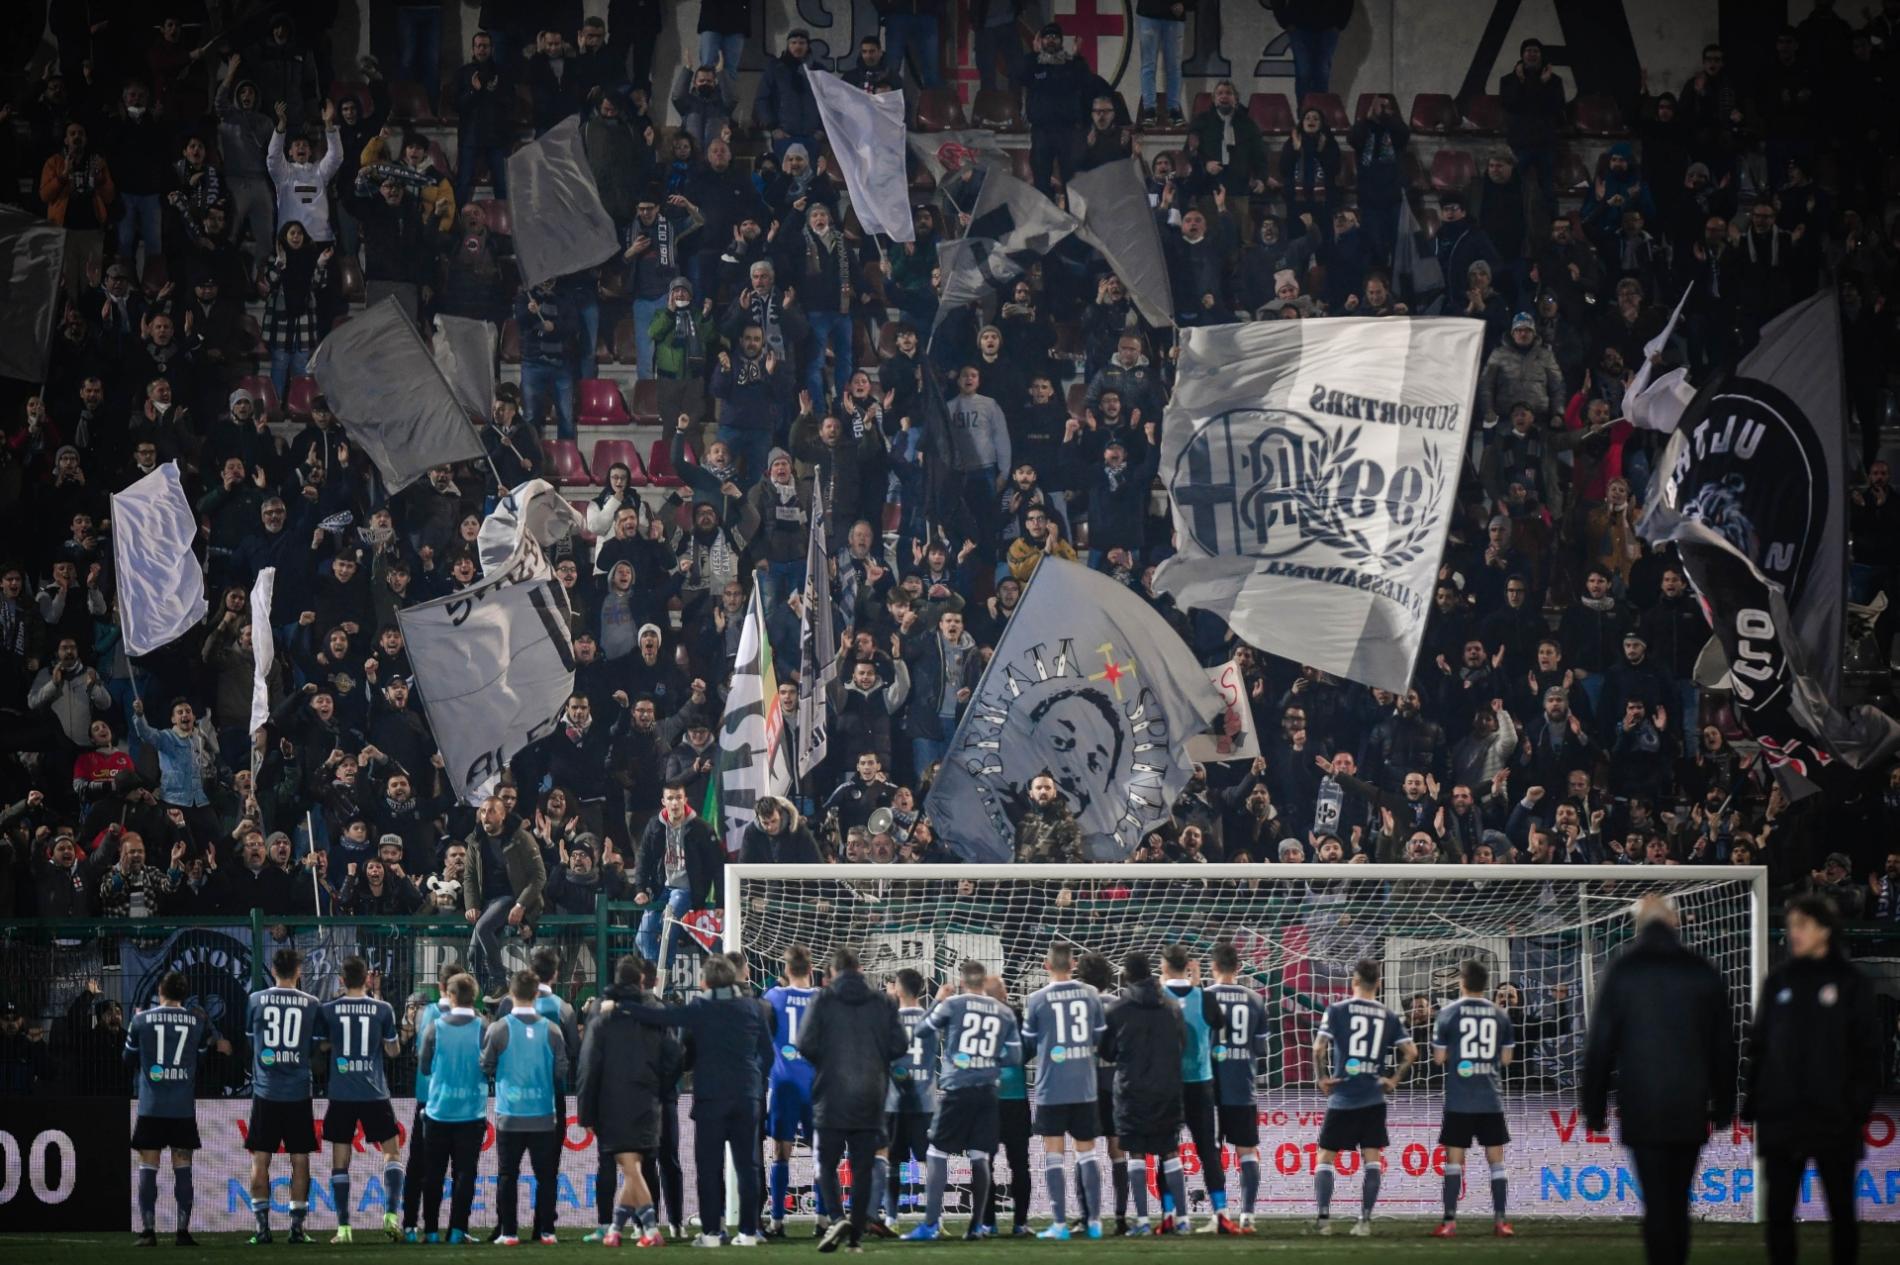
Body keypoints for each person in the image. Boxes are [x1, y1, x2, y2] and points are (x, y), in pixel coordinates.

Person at [1581, 896, 1735, 1265]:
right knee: (1678, 1200)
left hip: (1641, 1104)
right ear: (1675, 922)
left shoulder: (1623, 970)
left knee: (1655, 1201)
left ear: (1639, 926)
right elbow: (1723, 1044)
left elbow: (1601, 1045)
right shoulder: (1701, 969)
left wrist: (1594, 1108)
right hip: (1689, 1104)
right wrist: (1725, 1102)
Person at [1742, 894, 1882, 1265]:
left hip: (1834, 1119)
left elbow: (1870, 1053)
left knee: (1841, 1212)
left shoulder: (1851, 983)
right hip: (1782, 1119)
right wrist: (1755, 1103)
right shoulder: (1779, 981)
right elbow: (1759, 1045)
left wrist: (1855, 1108)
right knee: (1779, 1214)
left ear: (1824, 930)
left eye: (1802, 925)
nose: (1794, 934)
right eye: (1791, 927)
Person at [616, 953, 774, 1244]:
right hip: (746, 1098)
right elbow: (768, 1054)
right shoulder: (753, 1008)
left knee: (709, 1168)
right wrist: (753, 1080)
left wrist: (623, 1006)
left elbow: (661, 1016)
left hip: (711, 1100)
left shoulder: (700, 1007)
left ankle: (712, 1232)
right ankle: (750, 1232)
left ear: (705, 981)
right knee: (748, 1167)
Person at [797, 945, 909, 1252]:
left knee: (826, 1163)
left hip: (831, 1095)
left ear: (832, 973)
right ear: (860, 970)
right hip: (871, 1095)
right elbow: (900, 1045)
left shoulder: (822, 999)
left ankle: (836, 1218)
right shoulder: (883, 1002)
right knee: (863, 1168)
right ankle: (855, 1238)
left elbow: (804, 1044)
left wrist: (828, 1062)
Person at [904, 959, 1023, 1241]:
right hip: (987, 1093)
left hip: (957, 1088)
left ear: (960, 981)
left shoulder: (953, 1004)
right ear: (983, 982)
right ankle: (976, 1226)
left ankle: (930, 1225)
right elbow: (1016, 1057)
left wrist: (937, 1001)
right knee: (980, 1155)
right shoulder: (1003, 1012)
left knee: (937, 1152)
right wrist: (989, 1059)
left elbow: (921, 1031)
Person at [1312, 957, 1416, 1237]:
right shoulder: (1388, 1015)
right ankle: (1364, 1221)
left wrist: (1322, 1077)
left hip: (1343, 1096)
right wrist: (1393, 1079)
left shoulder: (1336, 1010)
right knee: (1371, 1158)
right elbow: (1412, 1053)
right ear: (1378, 984)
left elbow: (1319, 1048)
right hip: (1373, 1097)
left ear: (1354, 981)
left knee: (1325, 1158)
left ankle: (1323, 1220)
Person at [126, 970, 227, 1247]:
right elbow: (203, 1060)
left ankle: (148, 1231)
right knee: (183, 1168)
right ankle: (183, 1232)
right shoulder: (196, 1023)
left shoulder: (141, 1020)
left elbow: (127, 1058)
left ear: (161, 990)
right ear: (184, 994)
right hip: (182, 1108)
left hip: (151, 1106)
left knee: (148, 1167)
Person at [1021, 943, 1107, 1240]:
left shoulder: (1036, 999)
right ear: (1074, 964)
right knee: (1087, 1153)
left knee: (1054, 1154)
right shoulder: (1092, 994)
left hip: (1051, 1086)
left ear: (1046, 966)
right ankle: (1094, 1222)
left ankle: (1059, 1223)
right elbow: (1098, 1037)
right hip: (1084, 1085)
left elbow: (1029, 1044)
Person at [1428, 959, 1516, 1238]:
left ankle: (1449, 1222)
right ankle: (1501, 1221)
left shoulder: (1448, 1013)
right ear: (1486, 984)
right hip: (1490, 1098)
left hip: (1459, 1099)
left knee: (1454, 1161)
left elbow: (1439, 1058)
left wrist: (1459, 1055)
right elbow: (1506, 1058)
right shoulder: (1500, 1014)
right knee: (1497, 1161)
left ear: (1461, 982)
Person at [319, 956, 404, 1244]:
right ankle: (391, 1216)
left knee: (341, 1161)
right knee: (391, 1153)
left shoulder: (328, 1010)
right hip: (374, 1092)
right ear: (367, 978)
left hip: (342, 1094)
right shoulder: (383, 1009)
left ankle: (344, 1229)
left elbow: (321, 1045)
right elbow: (393, 1052)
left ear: (341, 980)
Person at [482, 969, 570, 1245]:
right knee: (546, 1175)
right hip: (543, 1114)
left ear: (511, 993)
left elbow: (486, 1065)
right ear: (535, 994)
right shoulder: (552, 1030)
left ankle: (508, 1232)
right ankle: (546, 1231)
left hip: (510, 1114)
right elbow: (561, 1070)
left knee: (508, 1174)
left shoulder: (499, 1028)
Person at [1100, 950, 1185, 1236]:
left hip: (1131, 1091)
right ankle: (1181, 1219)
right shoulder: (1172, 1006)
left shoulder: (1117, 1009)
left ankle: (1143, 1221)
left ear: (1125, 975)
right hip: (1167, 1089)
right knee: (1169, 1151)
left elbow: (1107, 1052)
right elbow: (1182, 1044)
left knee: (1136, 1153)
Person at [245, 946, 324, 1245]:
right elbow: (317, 1049)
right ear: (299, 971)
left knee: (260, 1159)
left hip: (265, 1092)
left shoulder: (255, 1000)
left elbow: (249, 1043)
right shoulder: (311, 1003)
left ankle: (262, 1229)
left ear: (273, 970)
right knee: (300, 1160)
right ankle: (297, 1229)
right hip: (297, 1093)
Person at [1159, 942, 1229, 1231]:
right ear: (1187, 965)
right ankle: (1222, 1213)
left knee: (1167, 1150)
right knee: (1208, 1151)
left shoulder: (1159, 997)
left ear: (1163, 966)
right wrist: (1196, 984)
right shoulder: (1205, 998)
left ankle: (1169, 1216)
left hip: (1169, 1086)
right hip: (1201, 1084)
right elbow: (1216, 1023)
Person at [416, 972, 488, 1244]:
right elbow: (489, 1065)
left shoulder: (436, 1027)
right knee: (465, 1174)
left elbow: (424, 1065)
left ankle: (431, 1231)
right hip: (471, 1112)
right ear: (475, 996)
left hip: (439, 1110)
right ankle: (458, 1230)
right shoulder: (483, 1027)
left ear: (451, 995)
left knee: (433, 1173)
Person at [1207, 939, 1268, 1232]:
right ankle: (1248, 1216)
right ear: (1240, 967)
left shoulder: (1203, 997)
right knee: (1247, 1151)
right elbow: (1261, 1048)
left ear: (1213, 967)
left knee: (1213, 1150)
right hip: (1243, 1085)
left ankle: (1220, 1214)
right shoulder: (1256, 1000)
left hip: (1209, 1087)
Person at [462, 794, 546, 998]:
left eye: (491, 811)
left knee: (483, 928)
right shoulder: (475, 841)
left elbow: (539, 876)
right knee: (473, 955)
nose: (486, 816)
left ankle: (501, 982)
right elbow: (469, 876)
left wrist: (521, 904)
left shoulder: (521, 838)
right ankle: (491, 994)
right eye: (483, 811)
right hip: (487, 902)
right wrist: (471, 904)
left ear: (503, 815)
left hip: (511, 896)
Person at [764, 944, 822, 1236]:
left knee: (780, 1152)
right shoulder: (823, 998)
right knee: (821, 1153)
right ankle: (823, 1220)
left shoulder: (774, 996)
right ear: (811, 970)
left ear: (786, 970)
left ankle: (777, 1221)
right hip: (817, 1087)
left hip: (783, 1085)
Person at [873, 968, 937, 1233]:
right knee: (931, 1162)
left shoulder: (887, 1021)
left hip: (894, 1101)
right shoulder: (932, 1020)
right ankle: (935, 1219)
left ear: (897, 990)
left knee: (892, 1162)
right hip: (925, 1103)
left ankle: (890, 1218)